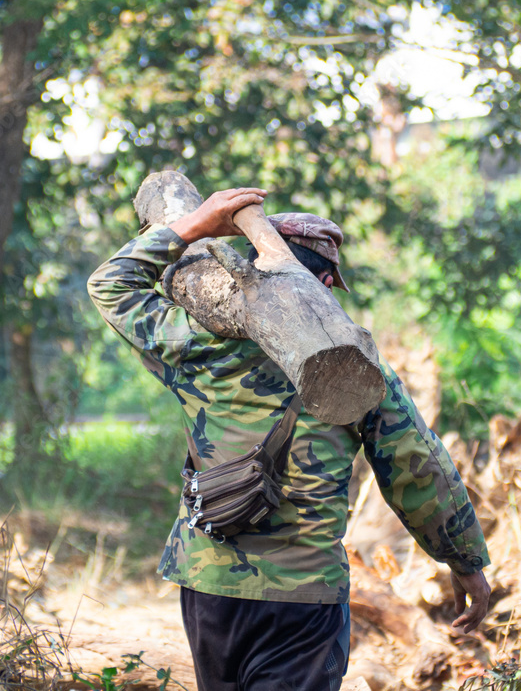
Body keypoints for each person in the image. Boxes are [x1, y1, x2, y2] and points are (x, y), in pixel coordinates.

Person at [87, 187, 491, 691]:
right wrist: (464, 561)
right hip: (304, 594)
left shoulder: (197, 344)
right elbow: (418, 466)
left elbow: (110, 284)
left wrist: (196, 224)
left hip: (211, 587)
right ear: (324, 283)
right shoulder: (358, 366)